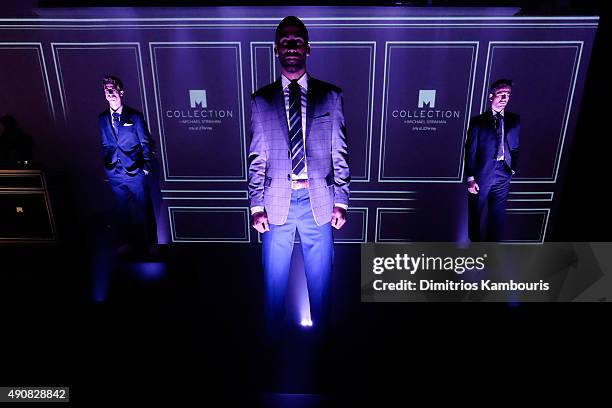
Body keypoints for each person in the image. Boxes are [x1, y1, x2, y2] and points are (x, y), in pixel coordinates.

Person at [248, 16, 350, 337]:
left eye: (297, 40)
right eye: (284, 41)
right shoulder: (261, 100)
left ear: (308, 48)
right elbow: (257, 157)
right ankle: (271, 341)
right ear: (276, 49)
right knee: (273, 282)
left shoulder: (330, 97)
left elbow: (340, 152)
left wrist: (342, 201)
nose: (291, 45)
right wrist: (255, 205)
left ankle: (323, 342)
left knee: (321, 281)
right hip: (276, 203)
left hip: (318, 201)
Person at [98, 75, 157, 250]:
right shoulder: (102, 118)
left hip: (135, 172)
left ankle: (150, 246)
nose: (109, 93)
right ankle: (127, 246)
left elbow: (146, 142)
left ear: (121, 92)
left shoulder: (135, 116)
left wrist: (146, 166)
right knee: (121, 212)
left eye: (112, 89)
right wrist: (107, 167)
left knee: (143, 210)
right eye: (106, 90)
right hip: (115, 174)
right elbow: (106, 143)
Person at [465, 79, 520, 242]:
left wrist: (512, 168)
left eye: (508, 95)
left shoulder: (514, 120)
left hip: (503, 173)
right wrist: (470, 178)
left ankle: (491, 253)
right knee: (476, 213)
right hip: (482, 175)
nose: (504, 98)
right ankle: (475, 250)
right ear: (491, 96)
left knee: (497, 217)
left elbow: (515, 147)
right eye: (501, 94)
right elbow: (470, 152)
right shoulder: (478, 122)